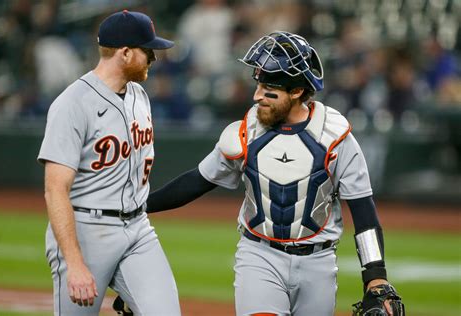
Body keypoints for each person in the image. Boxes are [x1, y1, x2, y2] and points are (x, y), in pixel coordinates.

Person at [114, 31, 404, 315]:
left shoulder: (337, 137)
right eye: (258, 85)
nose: (257, 96)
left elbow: (363, 211)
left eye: (269, 89)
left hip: (319, 264)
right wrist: (140, 206)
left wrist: (375, 275)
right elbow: (196, 182)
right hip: (259, 256)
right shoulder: (244, 132)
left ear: (297, 91)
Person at [37, 10, 181, 315]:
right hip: (88, 230)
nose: (154, 58)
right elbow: (55, 190)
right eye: (148, 51)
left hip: (138, 227)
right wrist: (74, 264)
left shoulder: (139, 95)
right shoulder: (72, 104)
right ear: (125, 53)